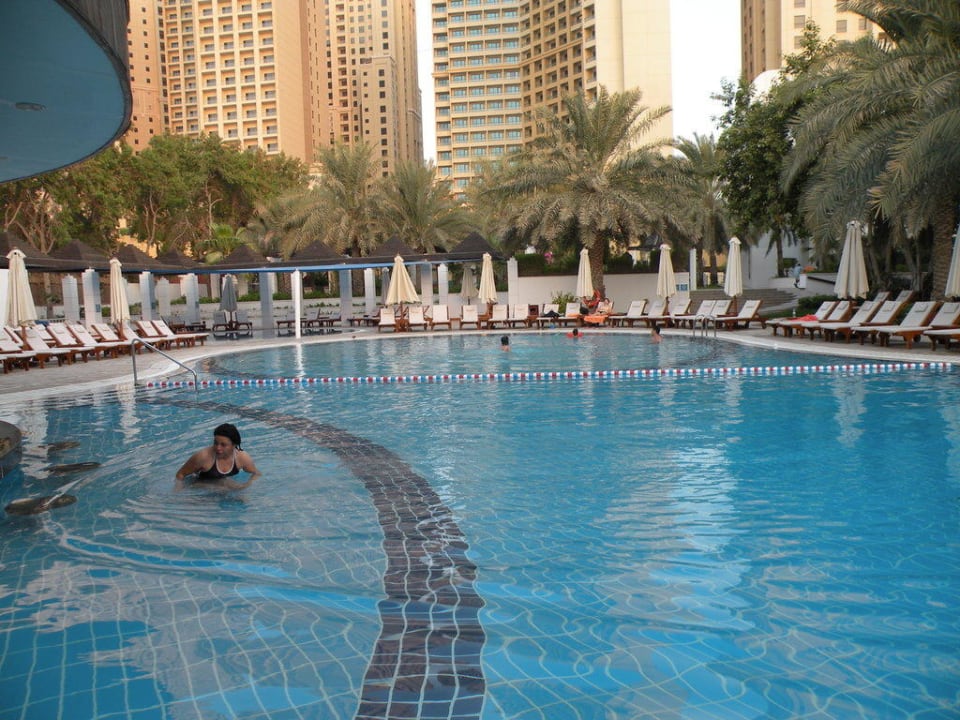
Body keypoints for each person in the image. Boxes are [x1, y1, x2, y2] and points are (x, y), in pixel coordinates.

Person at [175, 423, 260, 490]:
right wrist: (178, 492)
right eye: (215, 443)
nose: (218, 448)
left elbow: (256, 474)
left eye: (223, 445)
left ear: (234, 445)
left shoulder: (242, 457)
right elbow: (180, 474)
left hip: (223, 488)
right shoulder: (203, 457)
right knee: (224, 485)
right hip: (200, 486)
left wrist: (246, 486)